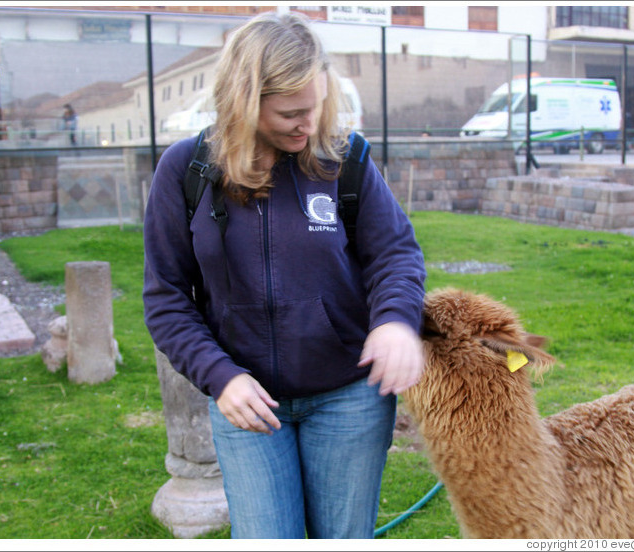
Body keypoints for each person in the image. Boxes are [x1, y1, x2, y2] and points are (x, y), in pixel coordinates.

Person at [142, 12, 426, 539]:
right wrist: (219, 376)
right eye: (292, 113)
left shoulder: (348, 160)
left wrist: (394, 321)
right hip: (248, 404)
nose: (310, 123)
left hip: (349, 397)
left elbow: (396, 256)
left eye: (318, 105)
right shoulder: (187, 171)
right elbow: (166, 300)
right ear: (245, 103)